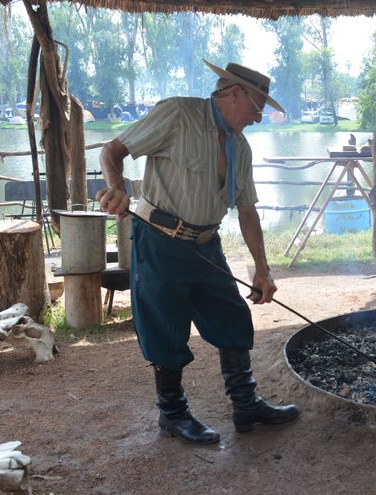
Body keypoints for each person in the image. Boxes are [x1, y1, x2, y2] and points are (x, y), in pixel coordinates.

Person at [96, 60, 299, 445]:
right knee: (165, 328)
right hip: (160, 240)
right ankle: (172, 414)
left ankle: (245, 405)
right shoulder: (178, 114)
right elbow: (112, 151)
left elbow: (248, 211)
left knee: (233, 316)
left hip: (207, 244)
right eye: (257, 107)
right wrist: (116, 187)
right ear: (235, 93)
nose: (258, 117)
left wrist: (262, 269)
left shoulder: (240, 147)